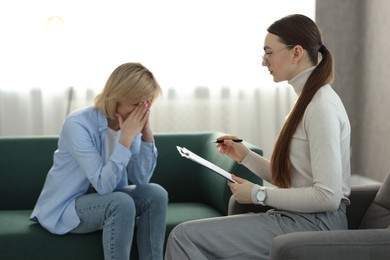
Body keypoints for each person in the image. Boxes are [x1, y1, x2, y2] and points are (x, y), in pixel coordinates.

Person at [165, 14, 351, 260]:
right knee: (192, 237)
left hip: (317, 224)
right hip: (300, 218)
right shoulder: (305, 102)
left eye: (269, 53)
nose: (265, 62)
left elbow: (327, 197)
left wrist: (258, 194)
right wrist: (245, 156)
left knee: (184, 237)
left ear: (296, 53)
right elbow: (295, 179)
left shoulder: (321, 107)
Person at [31, 62, 168, 260]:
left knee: (156, 194)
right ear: (118, 96)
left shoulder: (130, 125)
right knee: (121, 202)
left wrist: (147, 135)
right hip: (69, 206)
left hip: (109, 199)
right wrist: (125, 140)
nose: (139, 111)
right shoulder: (77, 124)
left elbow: (141, 180)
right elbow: (103, 186)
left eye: (145, 104)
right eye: (135, 103)